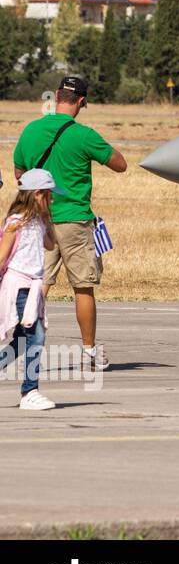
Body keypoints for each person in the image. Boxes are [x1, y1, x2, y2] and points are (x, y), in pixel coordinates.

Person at [12, 76, 127, 372]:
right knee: (83, 287)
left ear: (57, 96)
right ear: (81, 102)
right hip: (75, 220)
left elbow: (18, 172)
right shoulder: (84, 135)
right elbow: (120, 164)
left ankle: (19, 347)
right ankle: (90, 352)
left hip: (40, 220)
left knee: (38, 285)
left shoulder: (32, 129)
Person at [0, 169, 63, 410]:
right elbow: (2, 257)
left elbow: (50, 245)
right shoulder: (16, 222)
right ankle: (30, 391)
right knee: (35, 335)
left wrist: (48, 220)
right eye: (49, 195)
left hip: (33, 287)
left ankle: (30, 390)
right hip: (20, 286)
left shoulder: (37, 220)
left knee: (23, 342)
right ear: (38, 194)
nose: (53, 199)